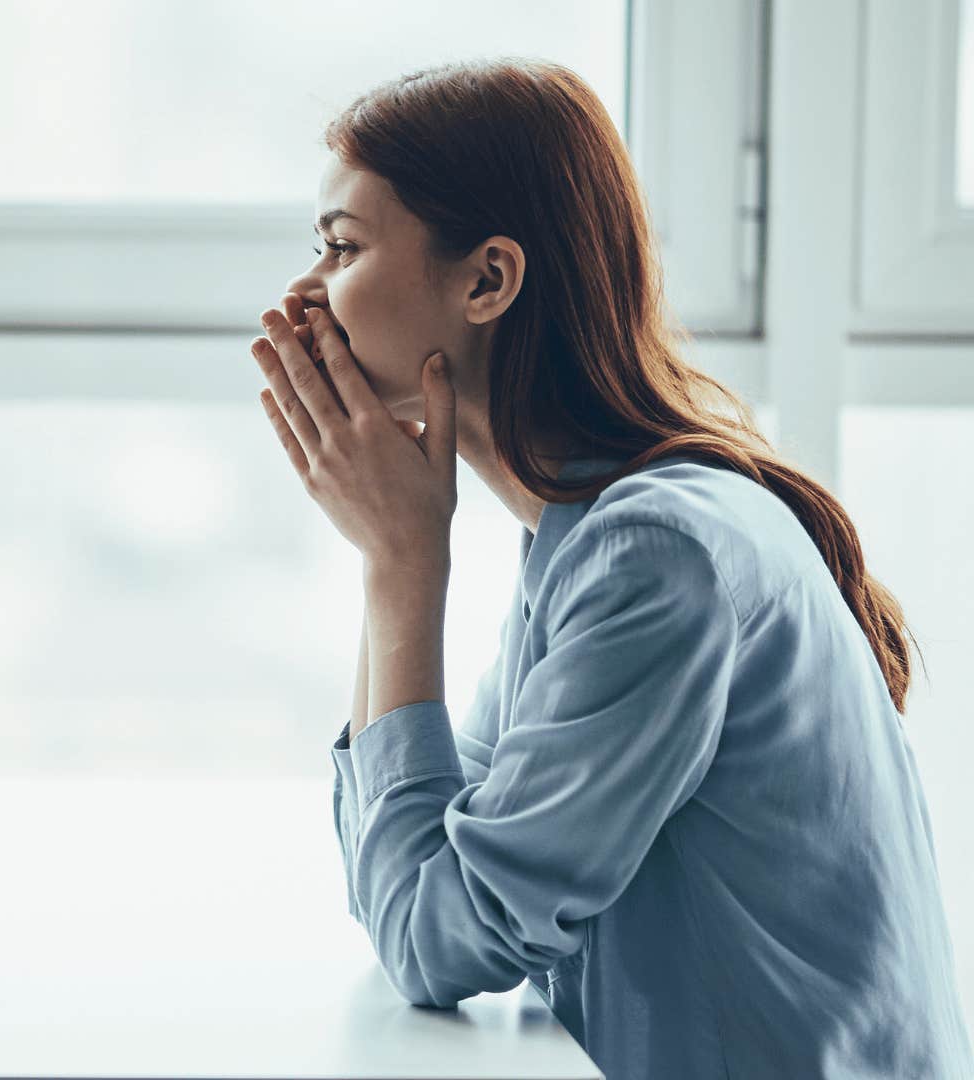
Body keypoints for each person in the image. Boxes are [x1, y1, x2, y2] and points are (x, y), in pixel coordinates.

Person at [249, 60, 973, 1079]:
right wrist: (390, 553)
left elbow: (434, 940)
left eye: (341, 248)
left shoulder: (654, 557)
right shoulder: (587, 538)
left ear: (489, 280)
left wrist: (401, 567)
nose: (301, 297)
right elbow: (414, 874)